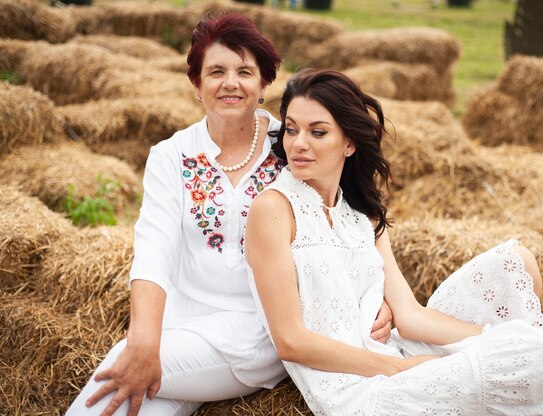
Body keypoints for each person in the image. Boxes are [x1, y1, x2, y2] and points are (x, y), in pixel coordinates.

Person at [65, 14, 392, 416]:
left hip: (263, 330)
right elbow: (154, 252)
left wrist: (377, 299)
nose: (231, 83)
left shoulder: (292, 145)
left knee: (123, 362)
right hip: (183, 329)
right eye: (216, 71)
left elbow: (346, 219)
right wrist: (145, 340)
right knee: (137, 398)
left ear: (264, 83)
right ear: (196, 84)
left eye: (245, 71)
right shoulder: (172, 156)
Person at [245, 68, 543, 415]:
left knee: (517, 265)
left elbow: (410, 316)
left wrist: (510, 338)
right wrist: (402, 369)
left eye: (318, 132)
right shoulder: (274, 209)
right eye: (291, 130)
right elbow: (290, 341)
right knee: (534, 360)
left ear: (350, 143)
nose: (299, 144)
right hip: (358, 385)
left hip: (397, 351)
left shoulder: (361, 214)